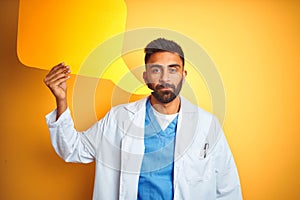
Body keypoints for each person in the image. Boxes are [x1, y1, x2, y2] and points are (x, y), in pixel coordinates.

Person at [44, 38, 243, 200]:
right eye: (156, 70)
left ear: (183, 75)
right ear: (146, 76)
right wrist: (61, 100)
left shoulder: (207, 125)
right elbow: (73, 149)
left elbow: (228, 189)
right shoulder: (119, 118)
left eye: (173, 70)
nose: (165, 78)